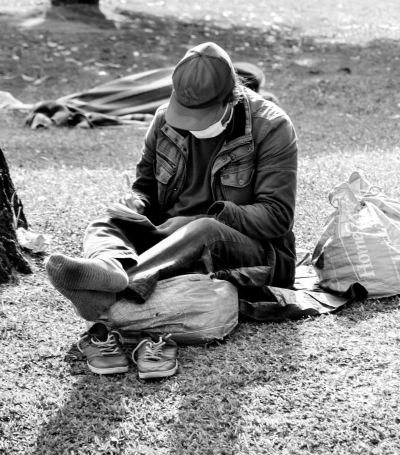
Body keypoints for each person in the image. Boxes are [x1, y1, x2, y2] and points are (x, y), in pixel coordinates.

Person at [46, 42, 298, 379]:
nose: (191, 125)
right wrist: (136, 204)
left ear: (230, 99)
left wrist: (200, 217)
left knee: (204, 230)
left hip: (252, 250)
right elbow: (145, 187)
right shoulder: (165, 118)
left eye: (202, 117)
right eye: (187, 114)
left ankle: (112, 293)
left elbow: (276, 216)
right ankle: (109, 268)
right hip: (170, 239)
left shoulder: (272, 127)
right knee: (107, 222)